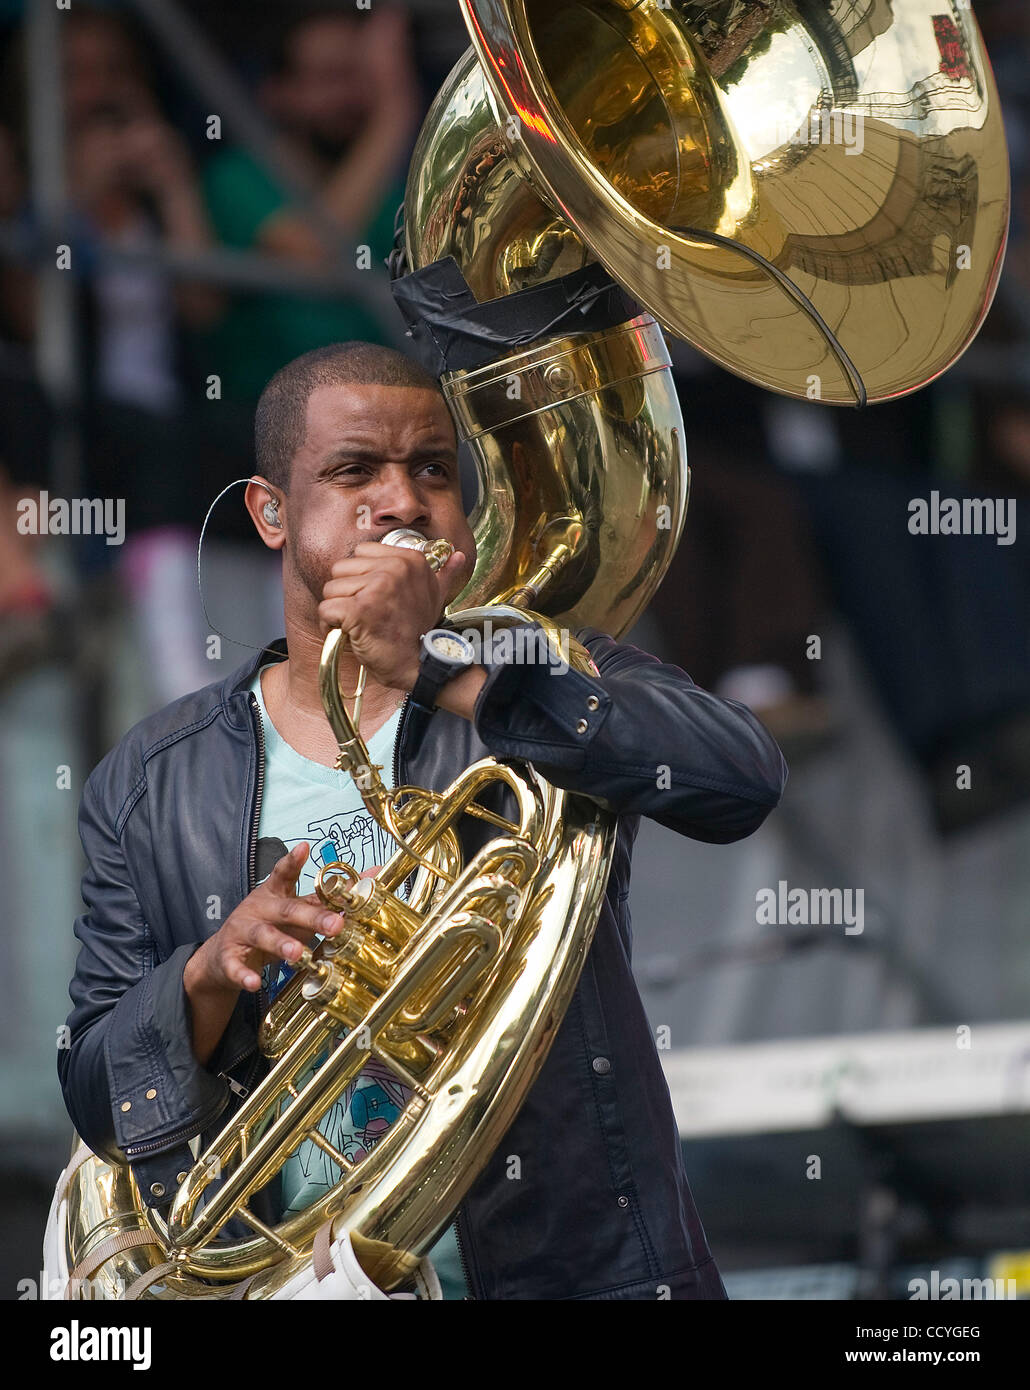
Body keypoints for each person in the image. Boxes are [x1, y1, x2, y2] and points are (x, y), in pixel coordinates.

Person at [58, 341, 788, 1301]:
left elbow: (741, 779)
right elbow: (99, 1091)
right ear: (270, 513)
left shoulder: (554, 672)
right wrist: (206, 976)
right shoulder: (149, 780)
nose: (402, 500)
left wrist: (439, 673)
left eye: (433, 471)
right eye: (354, 470)